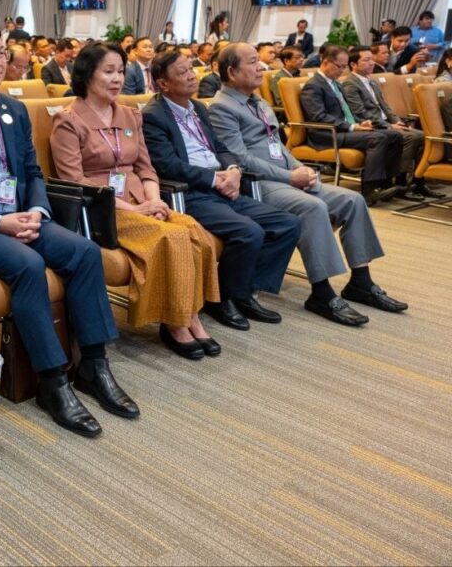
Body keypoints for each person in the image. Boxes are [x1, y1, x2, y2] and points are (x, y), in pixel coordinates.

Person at [0, 23, 139, 436]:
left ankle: (94, 364)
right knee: (28, 265)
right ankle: (53, 380)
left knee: (85, 252)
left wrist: (36, 209)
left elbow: (33, 172)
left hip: (22, 216)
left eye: (1, 52)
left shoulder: (12, 110)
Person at [208, 43, 405, 326]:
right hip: (260, 184)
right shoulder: (221, 107)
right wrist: (289, 177)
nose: (261, 67)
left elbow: (276, 145)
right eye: (252, 62)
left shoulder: (258, 101)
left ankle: (361, 281)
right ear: (231, 71)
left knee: (353, 200)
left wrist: (299, 168)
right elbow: (239, 159)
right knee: (312, 207)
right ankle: (321, 293)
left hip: (285, 176)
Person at [50, 43, 221, 359]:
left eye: (120, 71)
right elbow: (74, 181)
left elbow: (145, 167)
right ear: (87, 75)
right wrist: (135, 208)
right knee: (171, 236)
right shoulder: (69, 120)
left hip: (143, 200)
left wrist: (154, 200)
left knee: (195, 232)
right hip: (102, 208)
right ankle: (175, 323)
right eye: (108, 71)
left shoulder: (130, 115)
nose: (117, 78)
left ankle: (190, 315)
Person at [142, 49, 301, 331]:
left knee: (287, 223)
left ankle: (245, 292)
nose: (192, 76)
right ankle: (222, 298)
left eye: (191, 69)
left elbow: (222, 148)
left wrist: (233, 170)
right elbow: (168, 165)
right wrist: (214, 179)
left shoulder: (198, 108)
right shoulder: (154, 116)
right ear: (163, 84)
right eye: (182, 72)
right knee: (248, 232)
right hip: (192, 193)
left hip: (224, 185)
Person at [299, 45, 403, 204]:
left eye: (344, 67)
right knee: (377, 138)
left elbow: (345, 110)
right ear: (326, 62)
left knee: (395, 135)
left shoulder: (335, 83)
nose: (342, 71)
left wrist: (360, 122)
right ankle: (369, 190)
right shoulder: (313, 85)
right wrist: (351, 127)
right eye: (339, 66)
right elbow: (318, 116)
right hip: (326, 134)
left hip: (343, 129)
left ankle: (386, 183)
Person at [342, 46, 436, 200]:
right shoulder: (350, 84)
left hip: (386, 123)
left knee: (424, 136)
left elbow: (385, 107)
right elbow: (360, 113)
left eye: (372, 59)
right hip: (371, 125)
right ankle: (400, 182)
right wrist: (389, 125)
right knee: (410, 137)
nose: (371, 63)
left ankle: (418, 181)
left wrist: (398, 121)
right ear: (353, 64)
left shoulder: (371, 81)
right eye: (366, 60)